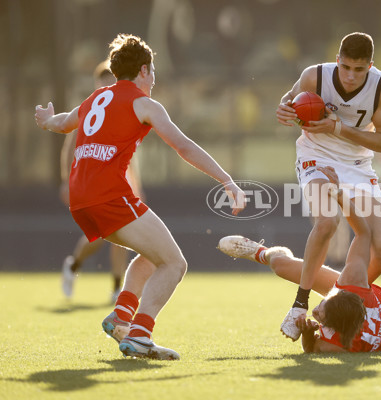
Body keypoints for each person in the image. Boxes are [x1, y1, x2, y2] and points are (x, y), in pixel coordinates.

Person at [35, 34, 245, 360]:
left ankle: (121, 316)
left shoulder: (96, 98)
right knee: (175, 264)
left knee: (150, 257)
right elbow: (184, 146)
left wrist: (46, 120)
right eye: (154, 71)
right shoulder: (143, 103)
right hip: (107, 196)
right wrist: (226, 179)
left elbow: (63, 123)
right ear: (144, 70)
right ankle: (141, 334)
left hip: (80, 200)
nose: (155, 78)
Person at [218, 166, 381, 353]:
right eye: (322, 306)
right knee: (282, 265)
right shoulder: (353, 285)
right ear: (343, 291)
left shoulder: (340, 343)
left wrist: (307, 333)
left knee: (281, 264)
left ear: (335, 328)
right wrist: (338, 194)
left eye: (319, 313)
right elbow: (364, 232)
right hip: (379, 325)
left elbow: (314, 347)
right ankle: (258, 251)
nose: (315, 309)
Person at [275, 32, 381, 341]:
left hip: (357, 165)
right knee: (328, 223)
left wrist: (338, 128)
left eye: (359, 69)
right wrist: (285, 111)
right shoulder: (314, 75)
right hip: (315, 156)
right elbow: (288, 103)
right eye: (346, 67)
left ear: (370, 65)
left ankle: (342, 302)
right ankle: (299, 306)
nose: (352, 76)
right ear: (337, 59)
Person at [59, 60, 142, 303]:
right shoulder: (88, 108)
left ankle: (116, 288)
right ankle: (74, 265)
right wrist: (66, 180)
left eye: (111, 79)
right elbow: (68, 147)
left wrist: (137, 185)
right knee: (99, 236)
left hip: (116, 182)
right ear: (96, 83)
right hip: (91, 183)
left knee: (122, 235)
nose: (107, 84)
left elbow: (129, 154)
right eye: (103, 80)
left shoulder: (121, 108)